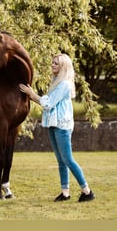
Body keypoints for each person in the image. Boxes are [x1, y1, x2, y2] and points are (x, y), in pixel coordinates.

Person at [19, 53, 95, 202]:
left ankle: (87, 191)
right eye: (53, 62)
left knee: (68, 159)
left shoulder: (64, 84)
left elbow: (48, 103)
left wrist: (31, 93)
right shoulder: (56, 82)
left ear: (63, 67)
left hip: (62, 126)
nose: (52, 65)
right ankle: (65, 192)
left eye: (56, 63)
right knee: (61, 160)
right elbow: (47, 104)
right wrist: (33, 95)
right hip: (54, 124)